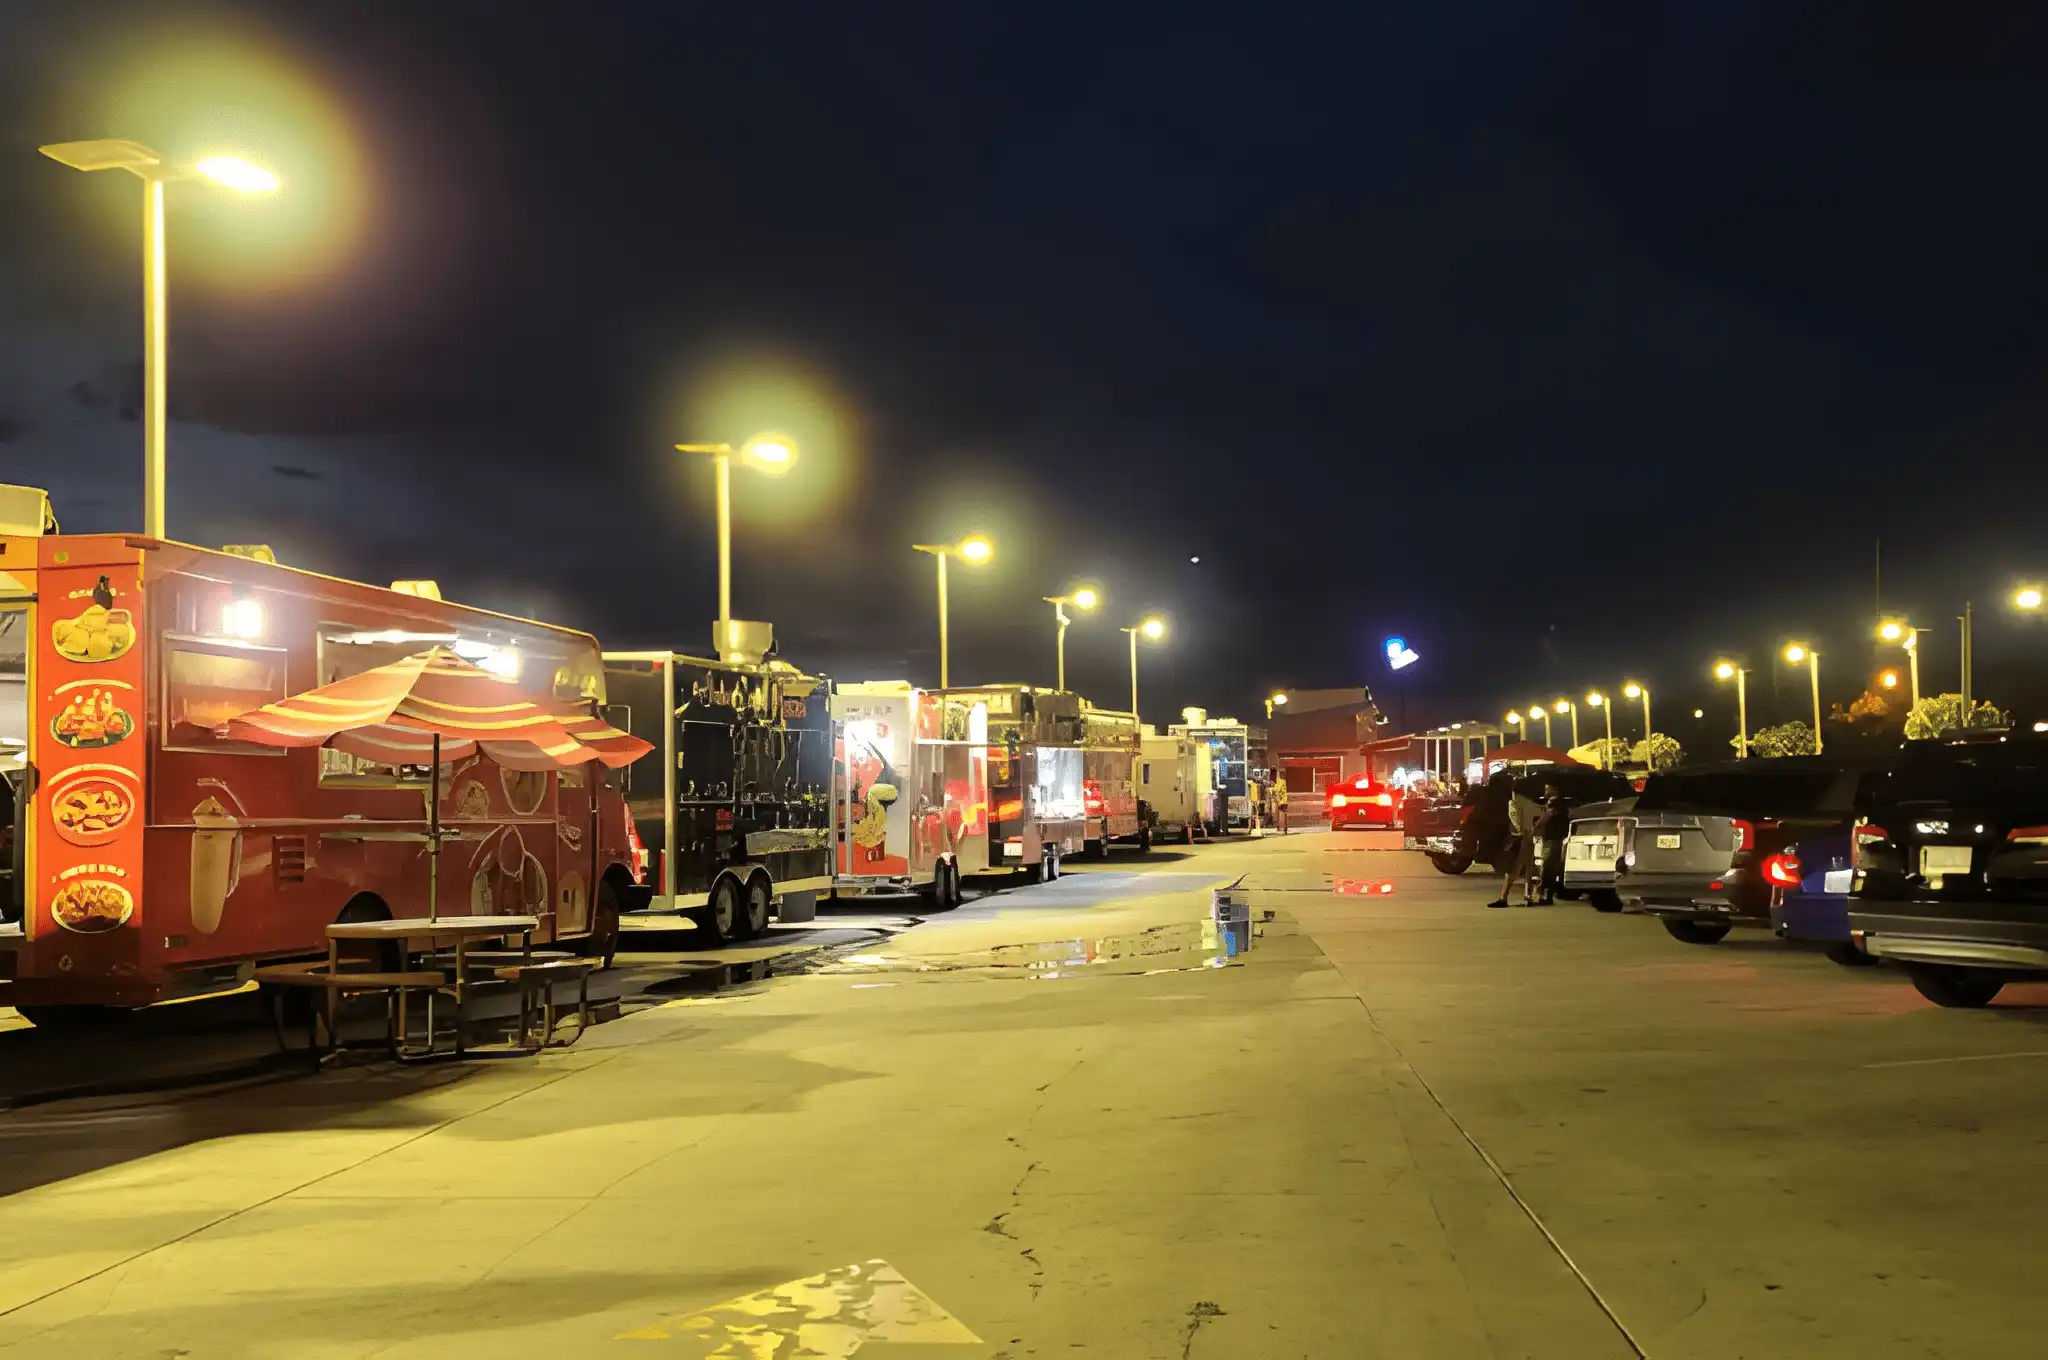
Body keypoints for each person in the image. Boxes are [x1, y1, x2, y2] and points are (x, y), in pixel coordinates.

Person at [1487, 777, 1543, 909]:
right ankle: (1528, 896)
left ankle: (1503, 898)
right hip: (1530, 836)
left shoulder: (1513, 802)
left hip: (1519, 838)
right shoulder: (1529, 802)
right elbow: (1541, 812)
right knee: (1529, 868)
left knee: (1511, 868)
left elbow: (1516, 822)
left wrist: (1518, 830)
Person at [1534, 780, 1571, 905]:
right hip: (1551, 838)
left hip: (1554, 838)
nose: (1545, 791)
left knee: (1549, 867)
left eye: (1547, 788)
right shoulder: (1553, 802)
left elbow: (1547, 817)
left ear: (1554, 790)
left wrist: (1536, 826)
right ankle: (1546, 894)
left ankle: (1547, 896)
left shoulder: (1556, 803)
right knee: (1548, 866)